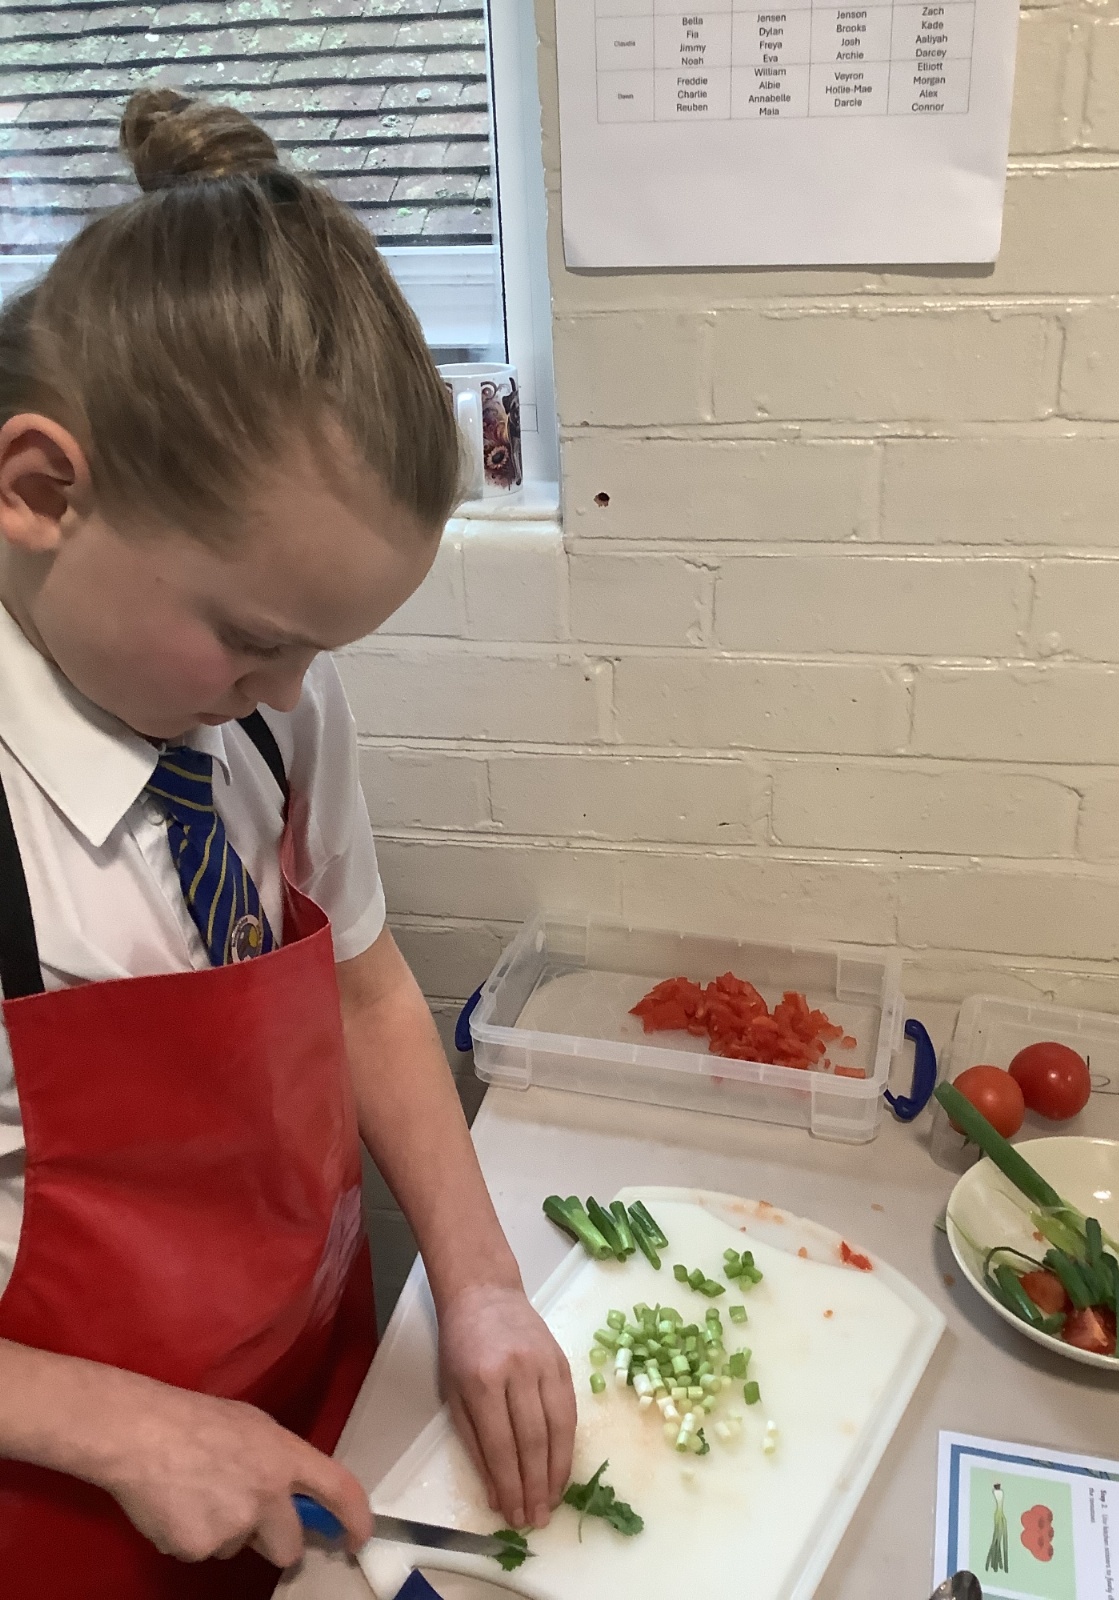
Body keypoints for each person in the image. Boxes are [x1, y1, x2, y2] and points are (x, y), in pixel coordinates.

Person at [0, 88, 576, 1598]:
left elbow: (364, 989)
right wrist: (123, 1427)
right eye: (257, 639)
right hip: (62, 1492)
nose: (290, 693)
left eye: (322, 649)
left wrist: (478, 1283)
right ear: (43, 491)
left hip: (309, 1383)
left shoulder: (267, 712)